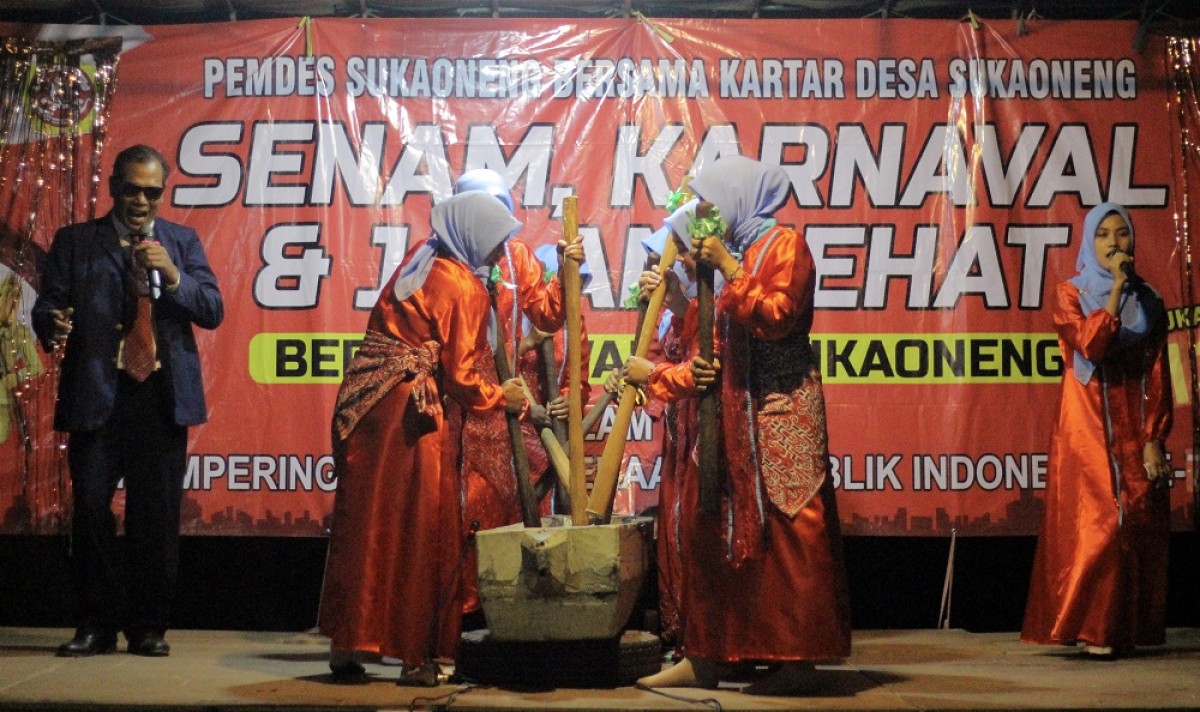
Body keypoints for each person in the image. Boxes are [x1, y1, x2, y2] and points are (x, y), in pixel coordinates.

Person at [627, 156, 851, 695]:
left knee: (790, 530)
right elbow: (712, 341)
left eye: (709, 201)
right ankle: (706, 655)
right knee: (714, 529)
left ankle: (796, 659)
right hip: (728, 410)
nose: (703, 212)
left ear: (736, 196)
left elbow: (777, 318)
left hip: (779, 411)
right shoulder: (733, 254)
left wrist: (729, 265)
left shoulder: (784, 245)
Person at [319, 191, 528, 677]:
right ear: (473, 237)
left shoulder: (420, 259)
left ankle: (348, 644)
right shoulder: (462, 285)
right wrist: (504, 397)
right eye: (496, 243)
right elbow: (462, 378)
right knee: (421, 528)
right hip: (414, 414)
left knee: (368, 522)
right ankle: (420, 656)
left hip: (369, 404)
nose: (500, 255)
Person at [32, 144, 224, 657]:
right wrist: (51, 322)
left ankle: (148, 627)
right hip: (98, 395)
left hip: (160, 399)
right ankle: (96, 625)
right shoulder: (76, 241)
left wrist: (175, 276)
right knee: (91, 511)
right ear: (114, 187)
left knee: (154, 517)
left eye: (152, 192)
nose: (141, 201)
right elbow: (48, 306)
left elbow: (212, 309)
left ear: (163, 193)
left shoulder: (181, 242)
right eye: (132, 190)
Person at [1021, 202, 1172, 658]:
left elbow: (1158, 372)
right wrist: (1115, 293)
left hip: (1132, 421)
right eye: (1102, 235)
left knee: (1136, 520)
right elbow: (1091, 344)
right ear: (1090, 241)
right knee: (1099, 523)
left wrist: (1155, 437)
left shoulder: (1150, 300)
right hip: (1086, 423)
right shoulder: (1069, 293)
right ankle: (1090, 629)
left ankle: (1120, 629)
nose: (1113, 243)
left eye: (1121, 233)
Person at [446, 169, 578, 616]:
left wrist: (565, 270)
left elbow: (549, 315)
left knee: (504, 497)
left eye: (502, 210)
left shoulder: (515, 255)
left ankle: (499, 606)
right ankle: (460, 611)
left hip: (502, 401)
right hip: (457, 401)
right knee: (462, 502)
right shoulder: (448, 259)